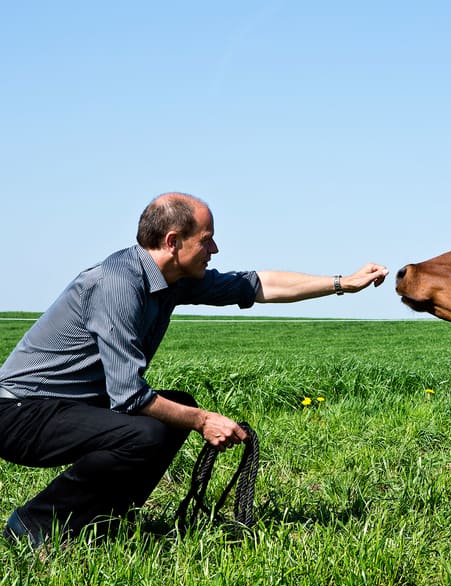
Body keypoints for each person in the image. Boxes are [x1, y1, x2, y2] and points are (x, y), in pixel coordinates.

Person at [0, 192, 388, 547]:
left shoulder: (173, 279)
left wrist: (343, 283)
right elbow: (129, 395)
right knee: (149, 431)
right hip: (22, 412)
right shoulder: (117, 284)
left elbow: (257, 284)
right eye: (206, 239)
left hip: (67, 407)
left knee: (172, 412)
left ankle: (96, 524)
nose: (215, 249)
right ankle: (33, 525)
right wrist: (203, 420)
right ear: (172, 242)